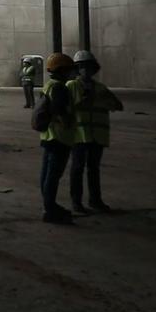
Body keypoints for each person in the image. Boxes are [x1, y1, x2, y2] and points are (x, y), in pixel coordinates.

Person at [67, 50, 123, 214]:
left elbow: (118, 105)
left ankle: (95, 200)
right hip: (79, 135)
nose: (86, 70)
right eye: (82, 67)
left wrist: (100, 100)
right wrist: (82, 103)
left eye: (88, 66)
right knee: (77, 168)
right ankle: (76, 202)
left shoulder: (100, 88)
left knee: (93, 168)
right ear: (77, 69)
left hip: (97, 136)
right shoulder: (72, 86)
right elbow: (66, 108)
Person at [39, 52, 77, 224]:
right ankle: (50, 209)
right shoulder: (60, 88)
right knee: (53, 175)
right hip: (59, 137)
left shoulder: (48, 85)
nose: (72, 73)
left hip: (48, 135)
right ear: (62, 70)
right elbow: (59, 110)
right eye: (70, 70)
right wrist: (68, 122)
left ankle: (48, 205)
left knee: (46, 173)